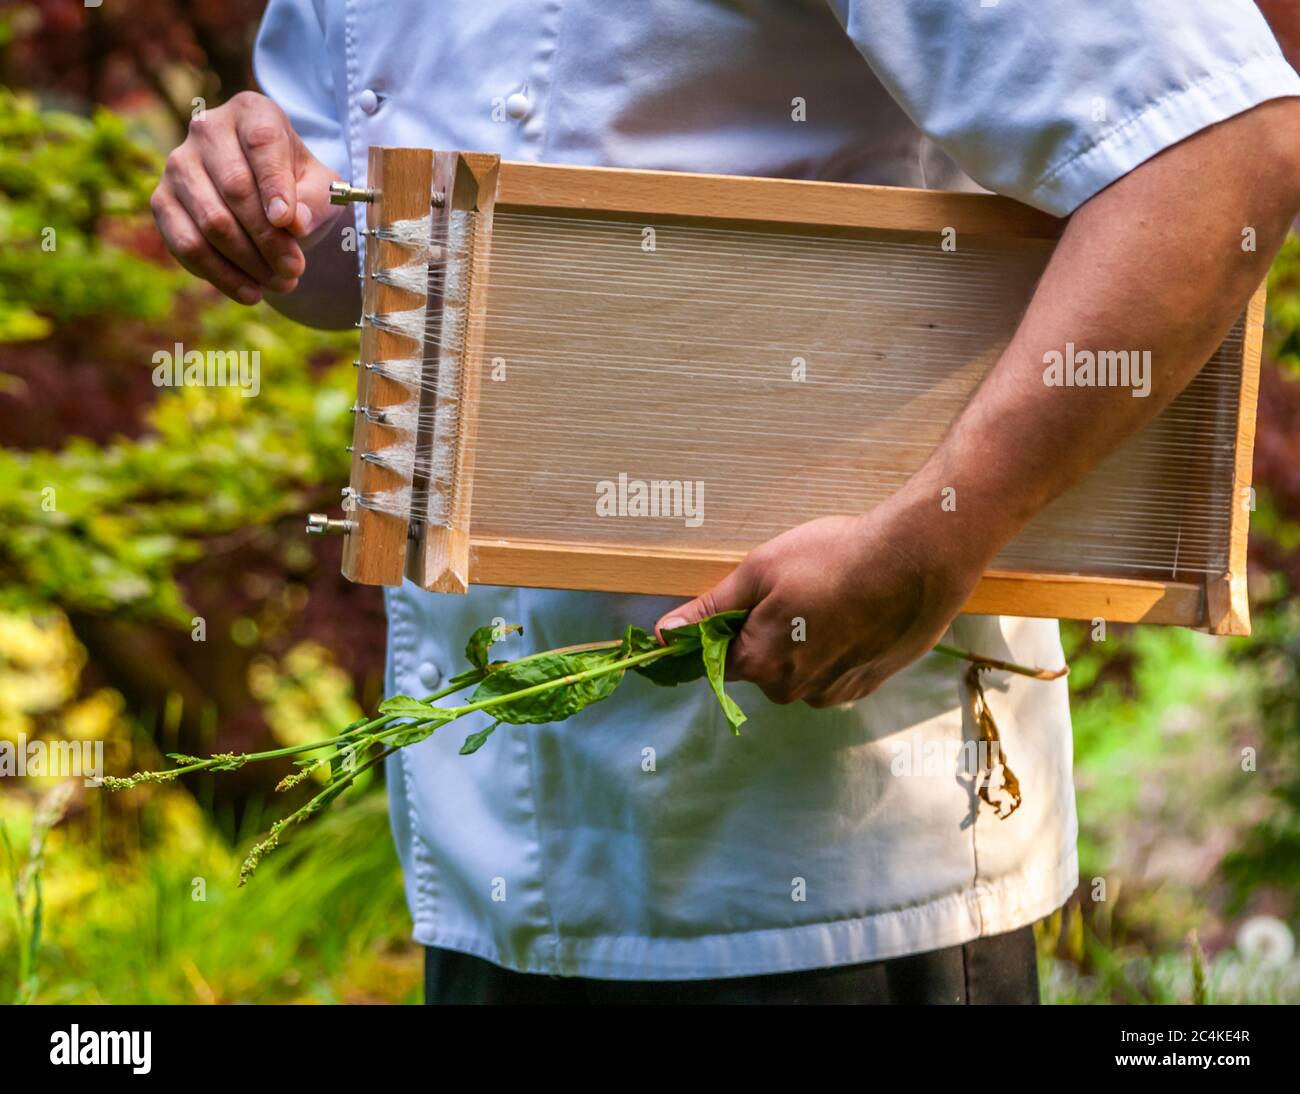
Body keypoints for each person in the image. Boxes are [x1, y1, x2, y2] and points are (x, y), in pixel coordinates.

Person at [151, 1, 1300, 1004]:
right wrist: (262, 194)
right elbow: (373, 233)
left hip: (835, 861)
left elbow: (1224, 147)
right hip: (486, 852)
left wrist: (939, 532)